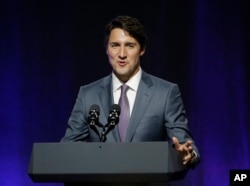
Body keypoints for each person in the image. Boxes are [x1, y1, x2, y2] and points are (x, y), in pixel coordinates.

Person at [61, 15, 200, 177]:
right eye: (115, 45)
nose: (122, 54)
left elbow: (185, 144)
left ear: (142, 49)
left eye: (130, 46)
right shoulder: (88, 95)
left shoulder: (166, 93)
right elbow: (67, 149)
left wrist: (189, 155)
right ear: (107, 49)